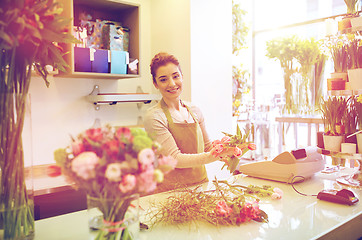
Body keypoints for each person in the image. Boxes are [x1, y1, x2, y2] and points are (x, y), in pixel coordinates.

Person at [144, 52, 227, 192]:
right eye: (163, 79)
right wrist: (213, 155)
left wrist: (227, 149)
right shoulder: (154, 117)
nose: (172, 84)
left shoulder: (195, 111)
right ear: (155, 83)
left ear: (182, 76)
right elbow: (175, 159)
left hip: (201, 186)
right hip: (170, 192)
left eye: (176, 76)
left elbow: (207, 147)